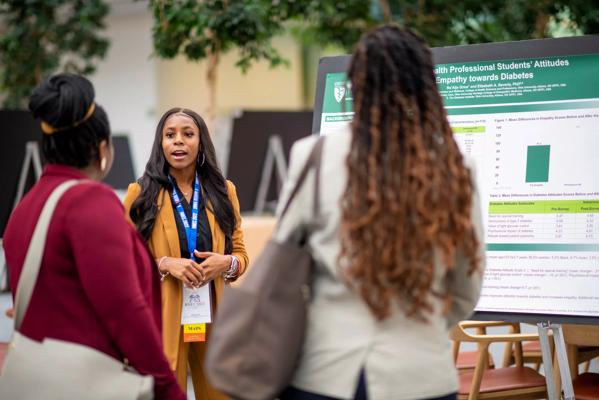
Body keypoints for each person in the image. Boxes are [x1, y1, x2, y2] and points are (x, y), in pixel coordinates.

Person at [275, 25, 485, 400]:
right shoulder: (456, 166)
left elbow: (283, 262)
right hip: (421, 374)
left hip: (325, 372)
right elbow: (467, 282)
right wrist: (424, 325)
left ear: (356, 83)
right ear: (424, 85)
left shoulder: (313, 156)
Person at [2, 74, 185, 400]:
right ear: (102, 149)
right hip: (88, 382)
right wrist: (169, 388)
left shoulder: (27, 206)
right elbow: (125, 311)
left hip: (36, 380)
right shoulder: (90, 203)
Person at [124, 107, 249, 399]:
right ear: (161, 144)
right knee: (166, 392)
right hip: (163, 312)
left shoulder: (224, 191)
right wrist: (165, 263)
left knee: (221, 392)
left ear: (201, 142)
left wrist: (226, 263)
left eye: (187, 134)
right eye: (170, 135)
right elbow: (123, 259)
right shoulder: (140, 193)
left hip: (213, 313)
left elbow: (241, 254)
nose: (178, 141)